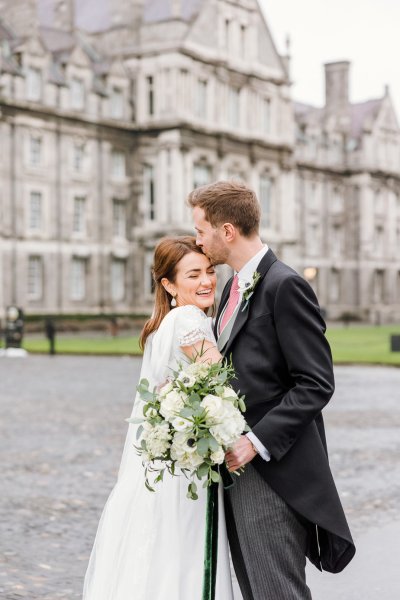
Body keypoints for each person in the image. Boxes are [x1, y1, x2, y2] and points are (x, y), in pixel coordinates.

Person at [189, 180, 356, 600]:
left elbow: (316, 382)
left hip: (274, 474)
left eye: (201, 230)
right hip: (235, 472)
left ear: (227, 231)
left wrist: (255, 442)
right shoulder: (230, 288)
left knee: (276, 593)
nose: (197, 240)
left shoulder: (285, 285)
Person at [82, 236, 234, 600]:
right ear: (168, 285)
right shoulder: (187, 319)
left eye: (210, 271)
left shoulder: (161, 324)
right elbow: (222, 377)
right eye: (193, 274)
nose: (206, 281)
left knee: (159, 554)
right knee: (185, 554)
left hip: (167, 466)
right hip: (187, 470)